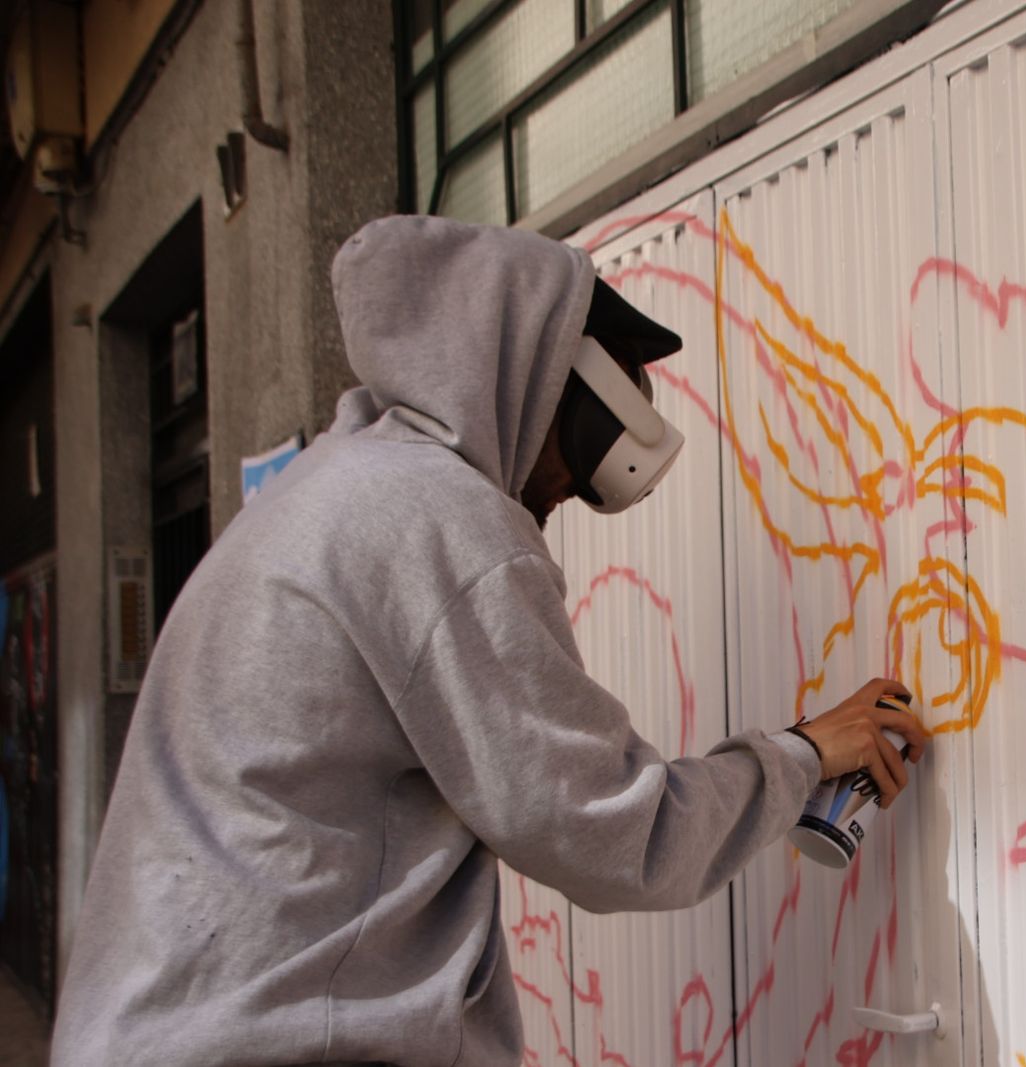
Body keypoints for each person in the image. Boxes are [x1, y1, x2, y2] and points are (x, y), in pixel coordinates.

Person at [51, 216, 928, 1065]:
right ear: (555, 383)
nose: (569, 498)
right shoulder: (438, 520)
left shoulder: (322, 492)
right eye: (604, 431)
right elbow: (617, 834)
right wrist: (804, 754)